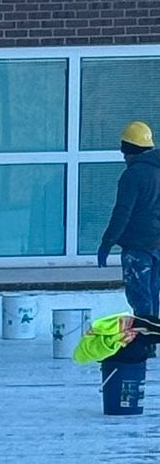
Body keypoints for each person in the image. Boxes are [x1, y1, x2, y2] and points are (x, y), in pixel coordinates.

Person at [97, 120, 160, 322]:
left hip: (137, 248)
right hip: (157, 246)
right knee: (153, 295)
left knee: (141, 300)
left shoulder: (133, 175)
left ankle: (143, 343)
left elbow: (122, 213)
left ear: (128, 150)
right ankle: (150, 340)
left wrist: (107, 243)